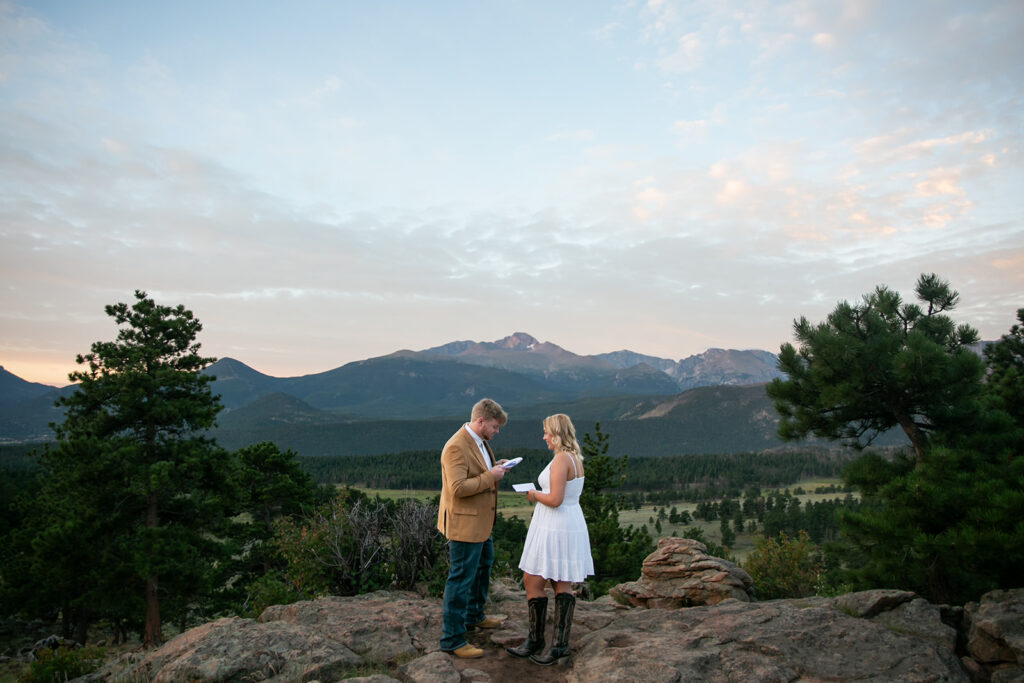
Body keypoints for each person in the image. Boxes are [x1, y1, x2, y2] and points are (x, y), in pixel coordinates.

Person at [506, 413, 594, 665]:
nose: (543, 437)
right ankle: (558, 646)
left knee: (532, 580)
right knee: (561, 581)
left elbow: (555, 499)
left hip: (555, 525)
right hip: (569, 523)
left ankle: (537, 641)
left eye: (546, 432)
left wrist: (533, 493)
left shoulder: (560, 460)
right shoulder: (575, 458)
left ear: (556, 434)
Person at [437, 398, 510, 659]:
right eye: (494, 426)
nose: (496, 431)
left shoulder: (480, 442)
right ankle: (452, 640)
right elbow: (457, 489)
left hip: (481, 523)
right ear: (480, 421)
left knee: (482, 567)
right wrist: (490, 477)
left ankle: (474, 615)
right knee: (460, 579)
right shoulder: (456, 446)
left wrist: (495, 467)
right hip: (465, 523)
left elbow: (476, 473)